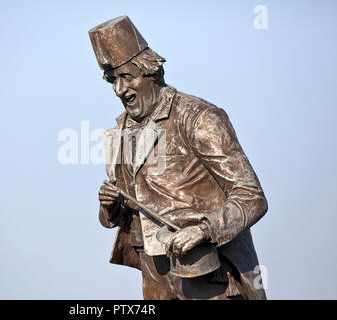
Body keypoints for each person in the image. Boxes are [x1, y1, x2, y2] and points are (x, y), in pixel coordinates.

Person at [89, 16, 268, 300]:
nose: (119, 90)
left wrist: (204, 230)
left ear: (149, 72)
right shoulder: (121, 130)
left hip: (210, 278)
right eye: (113, 80)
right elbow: (116, 219)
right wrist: (110, 207)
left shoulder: (198, 117)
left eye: (126, 77)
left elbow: (252, 197)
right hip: (156, 283)